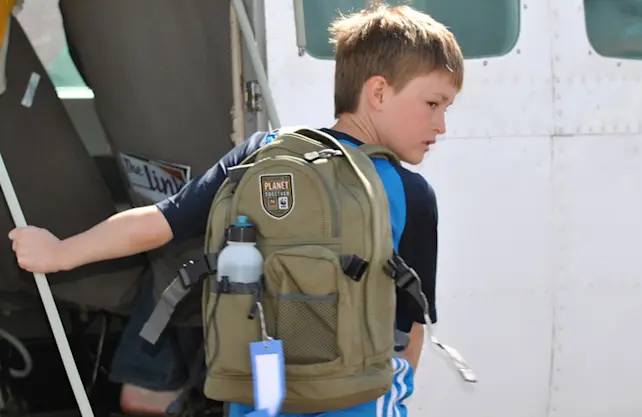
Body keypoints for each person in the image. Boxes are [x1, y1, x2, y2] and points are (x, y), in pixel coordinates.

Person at [8, 3, 463, 416]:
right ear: (378, 92)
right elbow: (408, 330)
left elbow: (159, 222)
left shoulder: (261, 153)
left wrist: (60, 252)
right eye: (433, 103)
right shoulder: (411, 194)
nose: (440, 125)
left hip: (260, 396)